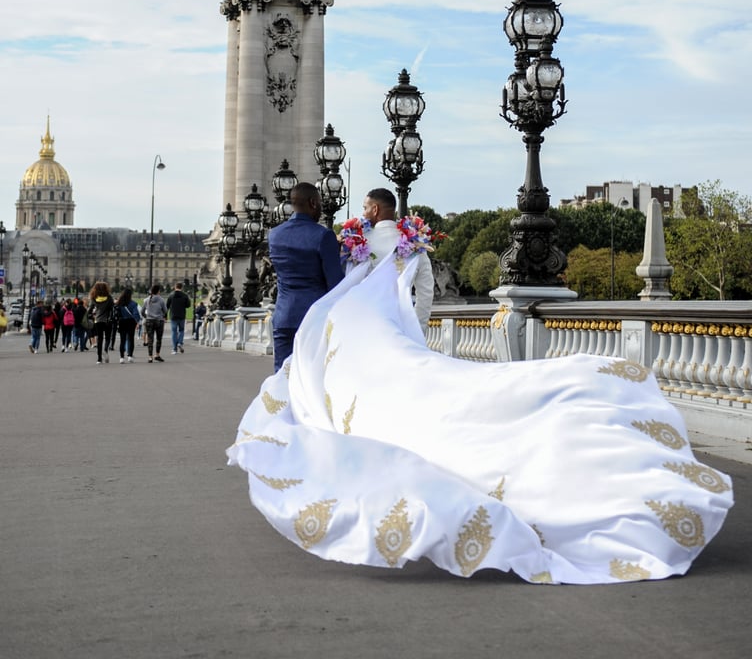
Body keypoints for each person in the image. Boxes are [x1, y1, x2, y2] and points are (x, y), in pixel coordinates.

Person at [227, 196, 733, 585]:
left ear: (374, 210)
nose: (358, 211)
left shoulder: (352, 240)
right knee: (459, 402)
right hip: (394, 341)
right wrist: (413, 338)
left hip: (348, 334)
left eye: (364, 206)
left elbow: (338, 287)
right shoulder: (407, 242)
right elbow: (421, 294)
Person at [267, 182, 344, 372]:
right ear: (313, 203)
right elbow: (336, 284)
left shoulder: (274, 235)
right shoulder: (323, 236)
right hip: (314, 318)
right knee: (312, 378)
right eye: (319, 202)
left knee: (283, 377)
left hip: (284, 316)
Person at [361, 188, 435, 334]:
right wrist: (417, 329)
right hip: (402, 326)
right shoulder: (416, 243)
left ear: (375, 209)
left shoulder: (360, 241)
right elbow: (426, 292)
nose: (363, 213)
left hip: (367, 324)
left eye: (365, 208)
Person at [86, 282, 115, 365]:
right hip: (108, 320)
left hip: (98, 320)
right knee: (108, 337)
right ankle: (105, 349)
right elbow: (112, 308)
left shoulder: (94, 298)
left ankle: (99, 358)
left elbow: (89, 311)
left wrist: (91, 315)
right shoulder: (109, 298)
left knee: (100, 339)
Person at [141, 284, 168, 363]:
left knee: (150, 339)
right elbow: (165, 311)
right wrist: (162, 315)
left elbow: (142, 311)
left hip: (149, 320)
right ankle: (157, 354)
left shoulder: (147, 300)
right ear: (158, 291)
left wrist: (146, 316)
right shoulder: (161, 300)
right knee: (159, 339)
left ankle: (150, 357)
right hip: (159, 321)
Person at [115, 287, 140, 364]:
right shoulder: (133, 303)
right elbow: (136, 314)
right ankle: (130, 356)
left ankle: (121, 357)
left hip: (122, 321)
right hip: (130, 322)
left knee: (122, 340)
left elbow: (116, 314)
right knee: (130, 339)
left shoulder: (119, 304)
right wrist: (137, 322)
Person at [166, 282, 191, 355]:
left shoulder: (171, 295)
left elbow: (167, 306)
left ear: (175, 287)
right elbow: (188, 305)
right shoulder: (185, 295)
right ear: (181, 287)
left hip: (173, 316)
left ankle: (174, 349)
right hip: (181, 315)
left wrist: (165, 315)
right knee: (181, 330)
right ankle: (180, 342)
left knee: (174, 332)